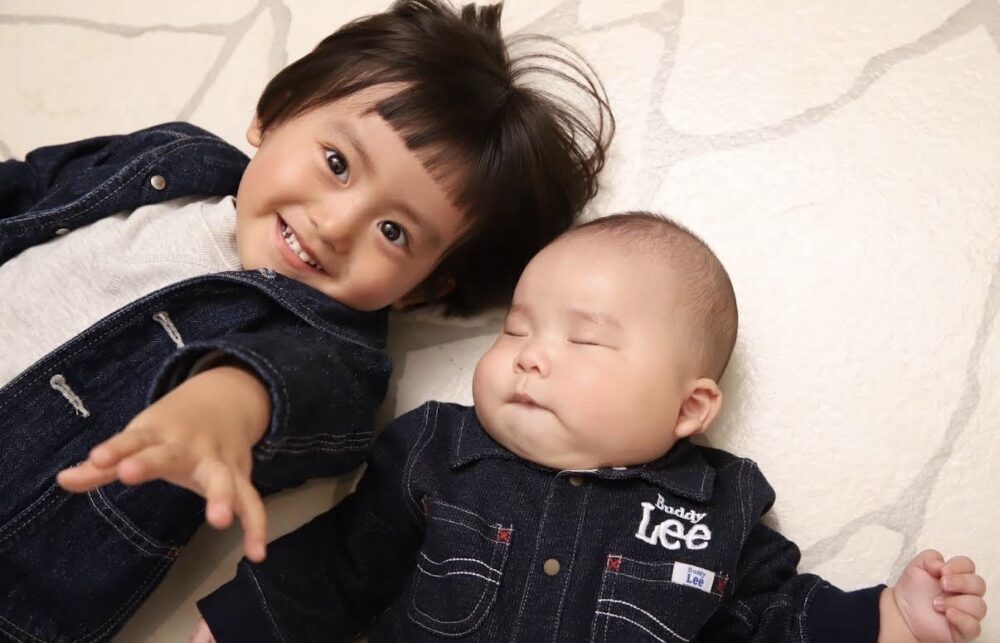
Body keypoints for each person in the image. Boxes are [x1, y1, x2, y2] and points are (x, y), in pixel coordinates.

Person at [0, 1, 613, 640]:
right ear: (273, 113)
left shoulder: (332, 346)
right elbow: (31, 187)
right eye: (338, 164)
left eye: (394, 232)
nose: (337, 225)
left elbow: (295, 388)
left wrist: (224, 408)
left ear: (420, 289)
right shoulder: (169, 158)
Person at [194, 213, 987, 642]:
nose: (530, 354)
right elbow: (341, 567)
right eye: (515, 328)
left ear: (688, 408)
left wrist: (890, 618)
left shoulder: (716, 511)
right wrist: (239, 626)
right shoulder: (440, 451)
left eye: (585, 339)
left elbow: (772, 620)